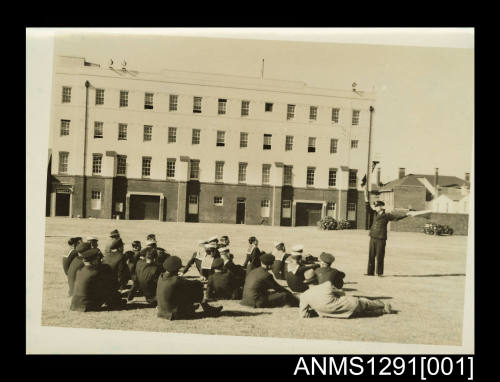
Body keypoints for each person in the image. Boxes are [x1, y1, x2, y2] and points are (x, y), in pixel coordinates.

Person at [299, 269, 394, 318]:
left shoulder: (304, 296)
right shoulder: (327, 285)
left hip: (331, 314)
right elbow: (342, 293)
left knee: (361, 313)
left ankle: (382, 311)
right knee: (363, 303)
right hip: (349, 305)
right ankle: (382, 305)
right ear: (316, 279)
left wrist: (317, 310)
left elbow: (303, 314)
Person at [364, 188, 415, 276]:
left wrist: (406, 214)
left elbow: (396, 217)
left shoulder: (386, 215)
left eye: (377, 206)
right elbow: (368, 208)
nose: (375, 208)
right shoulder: (374, 214)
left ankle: (379, 273)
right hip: (373, 237)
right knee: (371, 255)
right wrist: (366, 198)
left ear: (381, 207)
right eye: (375, 206)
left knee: (380, 255)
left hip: (381, 238)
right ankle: (370, 272)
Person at [156, 256, 223, 320]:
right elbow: (194, 284)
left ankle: (192, 306)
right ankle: (207, 308)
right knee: (197, 288)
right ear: (175, 269)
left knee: (183, 290)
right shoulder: (176, 280)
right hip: (172, 313)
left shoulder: (161, 276)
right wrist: (199, 283)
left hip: (161, 312)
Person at [70, 248, 127, 312]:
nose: (101, 261)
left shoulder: (80, 270)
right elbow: (109, 288)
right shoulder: (96, 272)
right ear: (94, 260)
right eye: (99, 259)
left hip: (75, 305)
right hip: (87, 306)